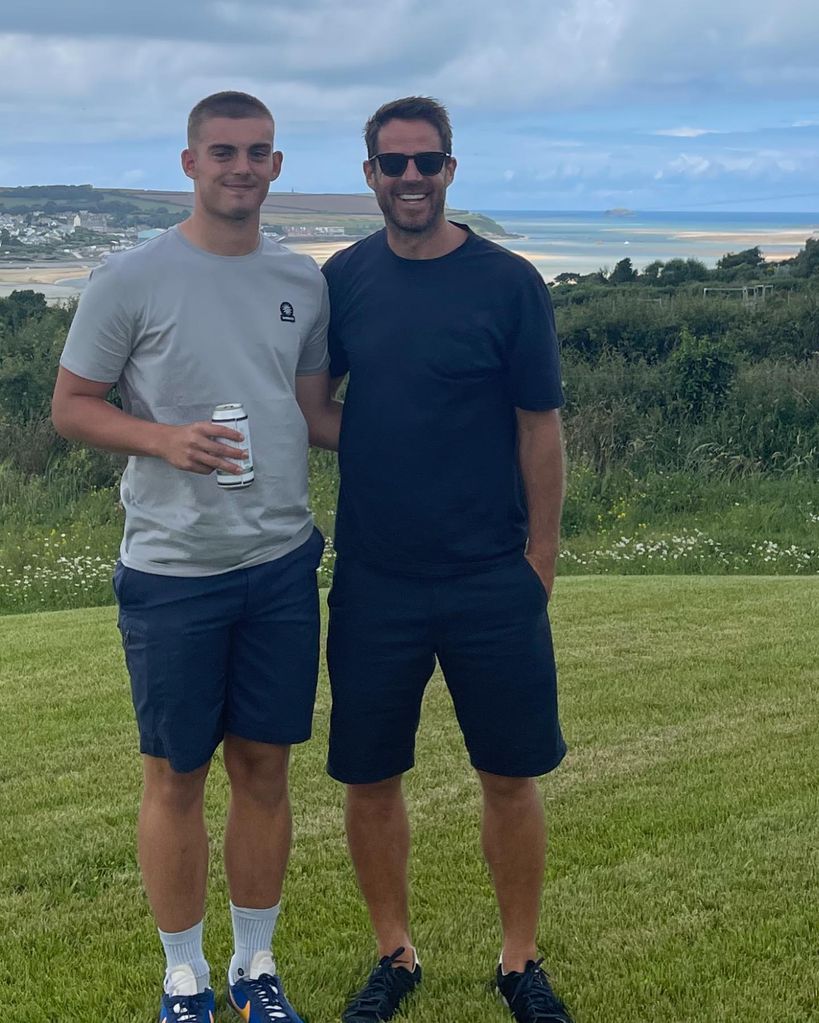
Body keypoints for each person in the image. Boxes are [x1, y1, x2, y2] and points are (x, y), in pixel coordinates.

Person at [52, 91, 340, 1023]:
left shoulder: (304, 279)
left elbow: (310, 413)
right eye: (223, 151)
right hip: (172, 571)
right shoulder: (128, 278)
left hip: (282, 563)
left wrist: (445, 422)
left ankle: (255, 968)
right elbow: (71, 406)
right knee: (175, 774)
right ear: (189, 163)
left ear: (277, 165)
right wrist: (163, 440)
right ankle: (184, 978)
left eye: (258, 152)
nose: (241, 167)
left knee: (265, 767)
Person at [322, 96, 573, 1023]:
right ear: (370, 177)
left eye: (427, 162)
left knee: (510, 772)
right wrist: (392, 439)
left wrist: (539, 559)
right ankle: (394, 953)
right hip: (376, 577)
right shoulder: (345, 277)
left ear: (451, 170)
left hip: (489, 575)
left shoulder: (508, 283)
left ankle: (519, 961)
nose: (411, 179)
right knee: (370, 774)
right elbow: (316, 404)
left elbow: (538, 427)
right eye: (393, 165)